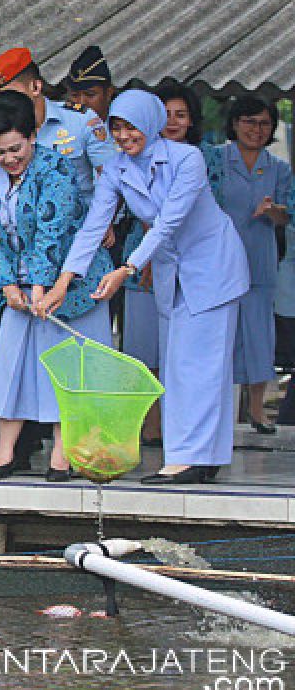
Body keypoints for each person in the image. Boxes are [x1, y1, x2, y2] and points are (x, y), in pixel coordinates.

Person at [42, 90, 249, 484]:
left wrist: (128, 267)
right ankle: (200, 457)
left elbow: (169, 220)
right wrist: (63, 283)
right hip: (173, 271)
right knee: (180, 364)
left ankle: (187, 459)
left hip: (212, 266)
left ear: (150, 124)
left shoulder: (187, 158)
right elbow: (92, 227)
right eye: (116, 127)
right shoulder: (118, 169)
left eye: (131, 126)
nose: (123, 135)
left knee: (198, 365)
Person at [0, 47, 115, 473]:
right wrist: (7, 284)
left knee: (65, 367)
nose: (9, 159)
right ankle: (5, 452)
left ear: (31, 137)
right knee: (12, 365)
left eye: (16, 149)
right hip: (20, 287)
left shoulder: (55, 168)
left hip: (67, 282)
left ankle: (63, 455)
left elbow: (51, 232)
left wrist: (42, 288)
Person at [126, 84, 220, 448]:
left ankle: (182, 433)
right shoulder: (134, 156)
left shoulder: (202, 157)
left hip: (190, 263)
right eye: (165, 115)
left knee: (183, 356)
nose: (173, 122)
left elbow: (192, 213)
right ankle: (149, 426)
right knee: (143, 351)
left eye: (181, 115)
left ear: (192, 120)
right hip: (140, 267)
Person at [213, 95, 291, 434]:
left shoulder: (279, 168)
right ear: (234, 123)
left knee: (259, 334)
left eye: (263, 123)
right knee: (221, 335)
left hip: (259, 259)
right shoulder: (215, 160)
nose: (256, 130)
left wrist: (273, 211)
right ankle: (219, 412)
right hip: (220, 260)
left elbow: (286, 213)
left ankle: (258, 411)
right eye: (249, 121)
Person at [64, 45, 115, 123]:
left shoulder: (124, 131)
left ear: (108, 93)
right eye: (74, 95)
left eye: (90, 94)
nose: (81, 102)